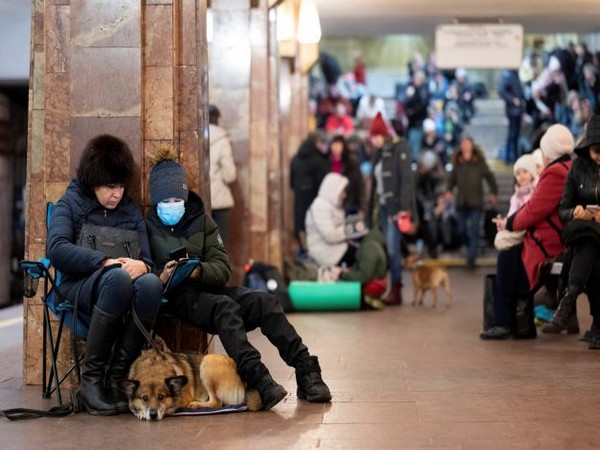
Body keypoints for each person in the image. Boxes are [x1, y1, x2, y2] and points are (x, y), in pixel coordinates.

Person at [145, 149, 331, 410]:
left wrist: (198, 271)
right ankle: (258, 378)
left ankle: (306, 369)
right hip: (177, 296)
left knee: (264, 302)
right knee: (225, 308)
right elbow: (142, 269)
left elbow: (222, 266)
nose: (172, 204)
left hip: (208, 286)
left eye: (177, 198)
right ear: (155, 201)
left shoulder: (203, 222)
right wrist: (162, 275)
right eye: (166, 200)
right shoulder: (146, 227)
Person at [46, 134, 163, 415]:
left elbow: (148, 259)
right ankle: (91, 382)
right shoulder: (70, 203)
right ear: (94, 180)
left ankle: (116, 379)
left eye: (122, 186)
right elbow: (56, 248)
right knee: (118, 277)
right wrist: (104, 261)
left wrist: (145, 267)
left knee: (150, 285)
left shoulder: (131, 211)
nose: (117, 194)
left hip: (121, 286)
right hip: (78, 286)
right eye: (111, 187)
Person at [480, 124, 574, 340]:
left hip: (549, 241)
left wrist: (510, 223)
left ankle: (503, 323)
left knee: (507, 256)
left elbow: (534, 210)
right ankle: (520, 324)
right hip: (558, 236)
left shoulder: (555, 174)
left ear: (549, 150)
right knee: (511, 257)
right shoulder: (569, 168)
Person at [543, 114, 600, 347]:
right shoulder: (577, 168)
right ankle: (597, 325)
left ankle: (567, 301)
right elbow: (562, 209)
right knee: (592, 250)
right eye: (597, 151)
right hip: (586, 234)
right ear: (587, 149)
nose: (599, 157)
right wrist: (576, 211)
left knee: (591, 246)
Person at [367, 112, 416, 305]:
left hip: (395, 209)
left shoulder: (399, 148)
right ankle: (389, 287)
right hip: (383, 207)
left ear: (382, 135)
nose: (372, 140)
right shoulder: (379, 153)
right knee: (389, 248)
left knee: (394, 250)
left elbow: (406, 180)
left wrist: (404, 208)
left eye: (374, 136)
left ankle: (396, 289)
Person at [445, 135, 498, 269]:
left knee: (474, 229)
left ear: (472, 145)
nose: (465, 145)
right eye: (463, 143)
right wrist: (448, 190)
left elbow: (489, 176)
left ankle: (471, 258)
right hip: (461, 202)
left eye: (468, 143)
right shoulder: (458, 162)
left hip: (476, 202)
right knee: (461, 229)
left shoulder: (479, 162)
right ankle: (471, 248)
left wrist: (493, 191)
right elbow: (451, 179)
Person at [289, 132, 330, 254]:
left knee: (301, 228)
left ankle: (303, 251)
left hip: (299, 202)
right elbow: (324, 185)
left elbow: (291, 183)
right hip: (315, 204)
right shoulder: (319, 161)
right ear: (316, 144)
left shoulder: (295, 159)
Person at [305, 172, 355, 268]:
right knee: (361, 256)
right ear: (334, 190)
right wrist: (349, 229)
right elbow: (330, 235)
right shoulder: (320, 206)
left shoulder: (333, 205)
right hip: (326, 251)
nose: (344, 195)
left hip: (335, 248)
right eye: (343, 191)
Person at [208, 104, 237, 246]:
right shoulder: (222, 141)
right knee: (220, 245)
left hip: (202, 202)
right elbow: (230, 175)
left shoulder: (195, 137)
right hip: (220, 201)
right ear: (217, 119)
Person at [328, 135, 364, 214]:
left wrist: (361, 205)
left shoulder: (351, 163)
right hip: (331, 202)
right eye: (334, 145)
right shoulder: (326, 163)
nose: (336, 148)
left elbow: (359, 184)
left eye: (338, 145)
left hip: (349, 202)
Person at [498, 69, 525, 163]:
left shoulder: (514, 75)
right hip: (513, 111)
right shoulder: (508, 75)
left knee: (515, 135)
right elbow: (501, 91)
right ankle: (510, 157)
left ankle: (513, 156)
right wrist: (513, 100)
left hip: (517, 111)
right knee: (512, 134)